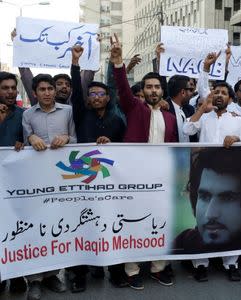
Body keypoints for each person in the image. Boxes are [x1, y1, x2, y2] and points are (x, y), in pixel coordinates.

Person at [110, 33, 177, 289]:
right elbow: (123, 89)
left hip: (162, 179)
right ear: (143, 91)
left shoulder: (170, 117)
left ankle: (159, 268)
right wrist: (118, 63)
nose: (153, 90)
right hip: (134, 178)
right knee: (133, 223)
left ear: (162, 91)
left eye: (157, 87)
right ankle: (132, 269)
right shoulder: (134, 108)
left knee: (159, 221)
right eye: (148, 87)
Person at [182, 52, 241, 282]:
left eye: (223, 93)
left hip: (231, 176)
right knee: (203, 219)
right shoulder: (204, 117)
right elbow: (186, 130)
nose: (219, 95)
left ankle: (230, 263)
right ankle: (201, 264)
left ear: (231, 99)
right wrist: (203, 108)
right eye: (216, 92)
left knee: (227, 220)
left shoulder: (239, 120)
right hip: (205, 176)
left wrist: (237, 140)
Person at [66, 45, 127, 293]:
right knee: (83, 225)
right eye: (91, 94)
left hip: (110, 181)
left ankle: (114, 270)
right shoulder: (81, 113)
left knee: (112, 224)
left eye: (100, 93)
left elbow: (127, 146)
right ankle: (80, 274)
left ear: (108, 97)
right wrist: (75, 63)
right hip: (84, 179)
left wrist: (112, 145)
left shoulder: (117, 117)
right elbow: (77, 92)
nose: (95, 97)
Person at [174, 147, 241, 275]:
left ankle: (231, 264)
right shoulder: (182, 242)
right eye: (204, 196)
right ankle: (200, 265)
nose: (210, 214)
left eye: (227, 198)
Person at [22, 73, 77, 300]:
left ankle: (53, 274)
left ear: (56, 91)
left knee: (58, 225)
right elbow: (23, 144)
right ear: (35, 93)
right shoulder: (27, 115)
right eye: (42, 89)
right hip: (36, 180)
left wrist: (66, 139)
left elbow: (76, 139)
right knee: (35, 227)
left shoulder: (69, 112)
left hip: (63, 179)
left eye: (50, 89)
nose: (47, 93)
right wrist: (31, 138)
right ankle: (34, 279)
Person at [0, 72, 27, 294]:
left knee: (16, 230)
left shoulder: (23, 115)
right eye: (5, 88)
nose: (10, 92)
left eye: (13, 88)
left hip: (16, 183)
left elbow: (31, 141)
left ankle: (18, 276)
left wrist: (25, 144)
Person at [166, 75, 196, 142]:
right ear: (183, 92)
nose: (192, 93)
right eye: (190, 90)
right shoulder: (164, 109)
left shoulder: (190, 109)